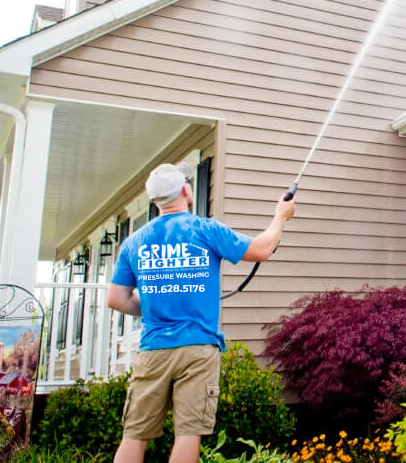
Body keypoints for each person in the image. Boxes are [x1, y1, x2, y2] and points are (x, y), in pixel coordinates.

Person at [107, 162, 295, 463]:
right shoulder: (205, 230)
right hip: (197, 349)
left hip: (152, 349)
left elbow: (116, 299)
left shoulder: (135, 242)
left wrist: (155, 306)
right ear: (185, 189)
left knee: (134, 434)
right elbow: (261, 249)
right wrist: (280, 217)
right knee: (188, 434)